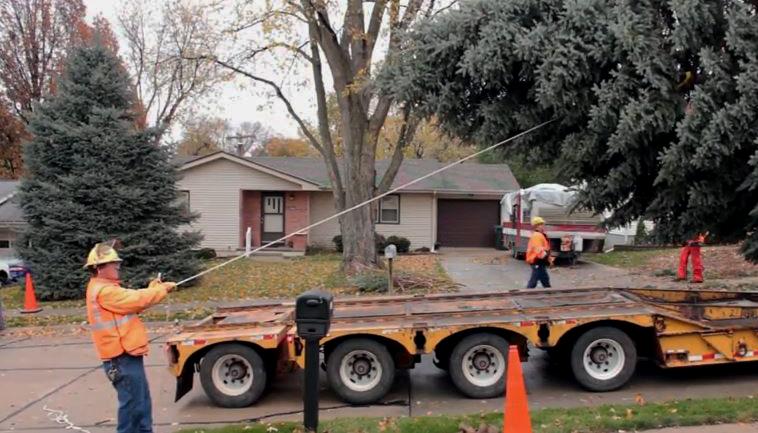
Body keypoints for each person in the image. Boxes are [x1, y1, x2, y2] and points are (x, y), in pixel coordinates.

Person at [84, 241, 176, 433]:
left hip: (125, 357)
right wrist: (161, 290)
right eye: (113, 262)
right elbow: (135, 300)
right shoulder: (104, 291)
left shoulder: (107, 288)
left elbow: (133, 298)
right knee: (134, 408)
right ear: (99, 268)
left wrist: (153, 289)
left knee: (140, 404)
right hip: (120, 358)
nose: (118, 265)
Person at [526, 216, 554, 288]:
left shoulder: (539, 235)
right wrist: (547, 258)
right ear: (537, 226)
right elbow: (539, 250)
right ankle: (527, 293)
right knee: (534, 280)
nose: (543, 226)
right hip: (537, 260)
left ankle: (549, 291)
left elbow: (544, 249)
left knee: (545, 278)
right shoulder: (537, 236)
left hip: (539, 261)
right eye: (542, 224)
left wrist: (549, 259)